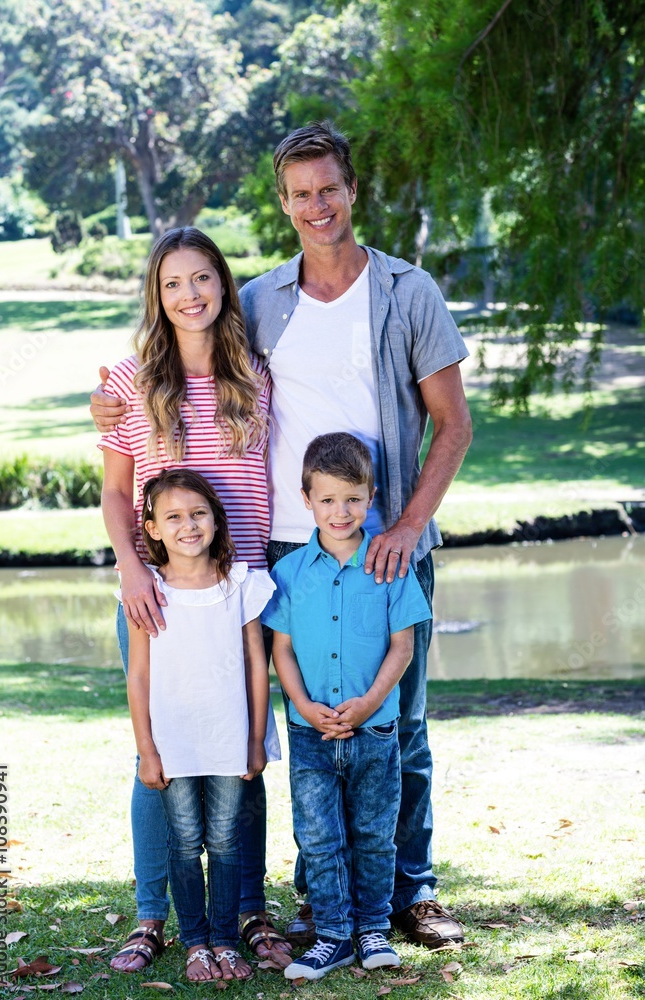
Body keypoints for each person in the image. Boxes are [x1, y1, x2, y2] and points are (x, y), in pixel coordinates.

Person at [91, 120, 473, 948]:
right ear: (283, 202)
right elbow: (137, 447)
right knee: (258, 733)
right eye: (299, 194)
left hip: (375, 547)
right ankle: (258, 905)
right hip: (269, 559)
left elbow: (453, 425)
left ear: (351, 189)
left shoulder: (400, 296)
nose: (316, 205)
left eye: (328, 188)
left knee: (386, 725)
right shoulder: (261, 302)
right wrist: (112, 422)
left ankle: (406, 892)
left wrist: (408, 524)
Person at [97, 226, 290, 971]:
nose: (190, 295)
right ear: (157, 294)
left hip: (238, 592)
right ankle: (152, 916)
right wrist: (131, 569)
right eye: (173, 283)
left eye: (202, 278)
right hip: (158, 596)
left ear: (223, 284)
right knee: (160, 754)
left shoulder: (256, 374)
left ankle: (248, 911)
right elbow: (117, 494)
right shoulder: (128, 382)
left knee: (246, 750)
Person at [261, 433, 430, 980]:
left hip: (375, 731)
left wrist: (371, 703)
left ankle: (374, 929)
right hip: (311, 731)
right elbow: (280, 649)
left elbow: (403, 646)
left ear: (372, 497)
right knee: (318, 836)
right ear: (306, 498)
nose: (341, 511)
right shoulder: (288, 574)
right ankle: (333, 934)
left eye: (353, 499)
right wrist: (305, 707)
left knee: (375, 832)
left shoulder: (391, 567)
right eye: (328, 499)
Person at [127, 468, 276, 982]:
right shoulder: (146, 592)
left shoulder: (241, 583)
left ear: (215, 519)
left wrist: (256, 739)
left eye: (198, 513)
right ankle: (195, 942)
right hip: (173, 740)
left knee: (228, 841)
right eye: (173, 516)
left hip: (229, 736)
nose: (188, 525)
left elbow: (258, 663)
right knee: (185, 842)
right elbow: (139, 676)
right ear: (151, 527)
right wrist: (146, 749)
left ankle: (226, 940)